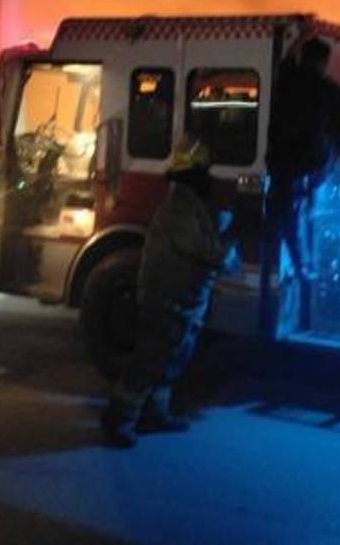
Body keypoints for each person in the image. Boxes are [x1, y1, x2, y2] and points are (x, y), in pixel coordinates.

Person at [101, 137, 239, 447]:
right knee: (150, 358)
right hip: (167, 296)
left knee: (172, 357)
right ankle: (118, 419)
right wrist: (225, 255)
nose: (209, 173)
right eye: (204, 168)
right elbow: (196, 245)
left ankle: (154, 415)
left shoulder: (188, 200)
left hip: (184, 297)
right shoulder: (179, 203)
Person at [264, 37, 340, 286]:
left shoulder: (288, 76)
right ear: (324, 62)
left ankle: (293, 266)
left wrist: (300, 34)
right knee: (297, 218)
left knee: (283, 221)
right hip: (309, 167)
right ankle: (301, 268)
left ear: (305, 57)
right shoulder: (328, 90)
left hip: (281, 164)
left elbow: (287, 56)